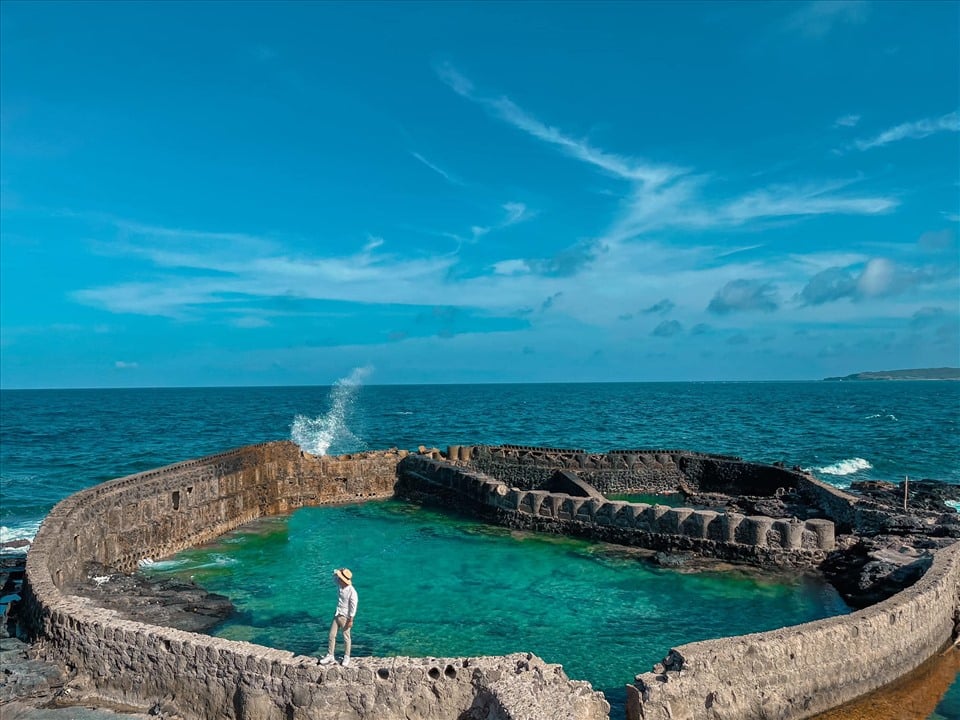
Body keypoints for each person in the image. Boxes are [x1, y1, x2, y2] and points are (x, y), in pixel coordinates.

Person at [319, 567, 358, 667]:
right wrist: (339, 571)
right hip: (337, 614)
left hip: (345, 617)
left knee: (346, 637)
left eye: (340, 578)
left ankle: (347, 656)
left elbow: (353, 606)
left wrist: (351, 620)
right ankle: (330, 655)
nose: (338, 579)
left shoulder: (352, 592)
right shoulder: (340, 585)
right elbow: (334, 576)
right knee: (332, 635)